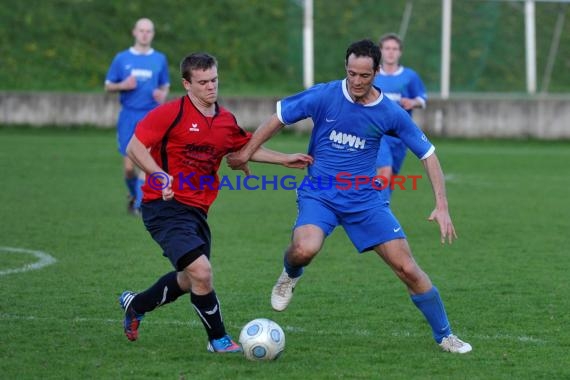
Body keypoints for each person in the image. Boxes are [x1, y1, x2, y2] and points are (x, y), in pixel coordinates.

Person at [227, 39, 472, 354]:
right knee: (304, 249)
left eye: (364, 76)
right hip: (321, 194)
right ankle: (289, 274)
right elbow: (278, 117)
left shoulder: (389, 112)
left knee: (408, 269)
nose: (356, 82)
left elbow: (428, 153)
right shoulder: (325, 95)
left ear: (376, 72)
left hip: (365, 202)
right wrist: (247, 152)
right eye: (351, 74)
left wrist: (442, 205)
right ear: (346, 68)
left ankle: (446, 335)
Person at [118, 52, 312, 353]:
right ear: (187, 84)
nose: (211, 87)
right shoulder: (171, 114)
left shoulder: (224, 121)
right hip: (164, 206)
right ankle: (219, 340)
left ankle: (136, 304)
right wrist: (159, 175)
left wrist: (285, 159)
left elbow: (243, 149)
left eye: (214, 80)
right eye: (203, 82)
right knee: (202, 273)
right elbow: (134, 146)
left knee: (189, 279)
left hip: (197, 210)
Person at [105, 18, 171, 216]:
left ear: (153, 34)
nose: (144, 34)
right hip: (128, 115)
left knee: (146, 161)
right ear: (134, 32)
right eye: (141, 30)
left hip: (150, 116)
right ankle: (135, 195)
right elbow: (108, 85)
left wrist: (162, 94)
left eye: (148, 31)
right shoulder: (121, 58)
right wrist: (122, 85)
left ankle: (139, 206)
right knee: (128, 167)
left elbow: (164, 84)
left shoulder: (159, 59)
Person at [374, 33, 427, 202]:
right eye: (387, 48)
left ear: (400, 52)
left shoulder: (409, 76)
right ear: (380, 51)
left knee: (390, 179)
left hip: (399, 136)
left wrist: (413, 102)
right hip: (377, 133)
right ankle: (373, 211)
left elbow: (422, 98)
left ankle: (379, 212)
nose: (391, 52)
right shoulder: (372, 75)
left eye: (394, 49)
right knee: (385, 170)